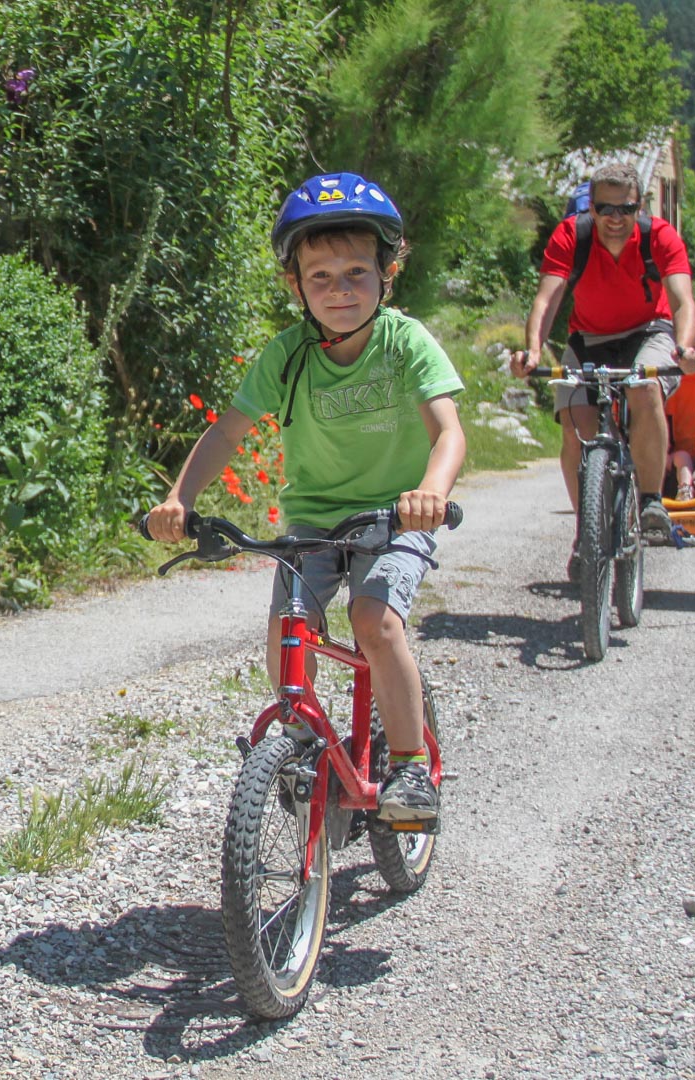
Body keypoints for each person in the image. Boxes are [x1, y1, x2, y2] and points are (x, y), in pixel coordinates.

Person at [145, 172, 465, 825]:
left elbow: (449, 431)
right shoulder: (287, 356)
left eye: (356, 273)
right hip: (313, 524)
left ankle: (407, 765)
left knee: (375, 624)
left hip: (395, 517)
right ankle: (300, 743)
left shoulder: (404, 344)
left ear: (387, 274)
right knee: (287, 629)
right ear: (295, 286)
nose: (340, 290)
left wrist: (430, 494)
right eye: (320, 277)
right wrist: (178, 497)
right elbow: (228, 430)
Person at [507, 162, 695, 562]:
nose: (616, 218)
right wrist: (531, 349)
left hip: (649, 331)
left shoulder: (661, 237)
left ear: (640, 206)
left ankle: (651, 501)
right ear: (591, 209)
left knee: (644, 387)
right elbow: (547, 301)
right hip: (589, 337)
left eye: (625, 209)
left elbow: (682, 300)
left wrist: (683, 349)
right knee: (574, 421)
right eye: (605, 209)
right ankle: (588, 533)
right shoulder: (571, 235)